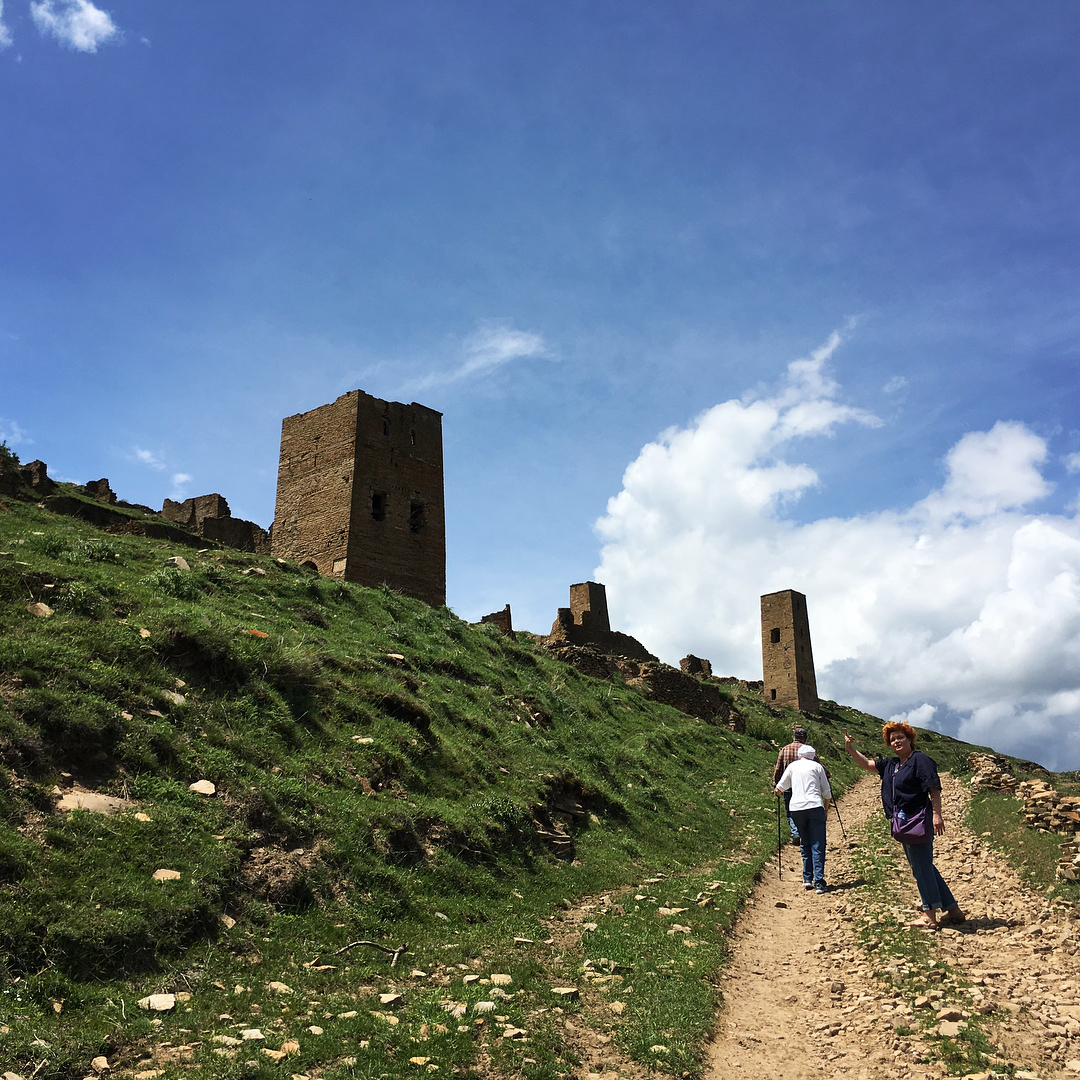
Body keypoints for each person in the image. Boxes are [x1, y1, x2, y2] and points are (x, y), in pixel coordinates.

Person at [844, 723, 965, 930]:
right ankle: (953, 910)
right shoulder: (892, 764)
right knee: (923, 864)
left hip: (918, 818)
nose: (896, 741)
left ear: (909, 739)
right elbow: (867, 765)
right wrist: (850, 749)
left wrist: (937, 814)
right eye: (892, 739)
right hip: (902, 821)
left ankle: (929, 915)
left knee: (921, 867)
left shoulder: (920, 760)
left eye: (900, 737)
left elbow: (933, 788)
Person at [775, 744, 832, 894]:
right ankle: (819, 882)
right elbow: (827, 793)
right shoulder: (817, 767)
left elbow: (779, 788)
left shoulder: (793, 766)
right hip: (815, 806)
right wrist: (826, 809)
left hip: (796, 808)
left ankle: (807, 879)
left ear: (800, 755)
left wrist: (777, 792)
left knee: (805, 842)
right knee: (818, 843)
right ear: (813, 755)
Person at [772, 726, 827, 843]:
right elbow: (818, 765)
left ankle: (796, 832)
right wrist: (827, 774)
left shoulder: (784, 749)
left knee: (790, 810)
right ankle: (806, 832)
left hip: (787, 786)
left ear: (793, 737)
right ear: (805, 739)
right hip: (806, 786)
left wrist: (777, 784)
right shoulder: (808, 751)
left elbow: (779, 768)